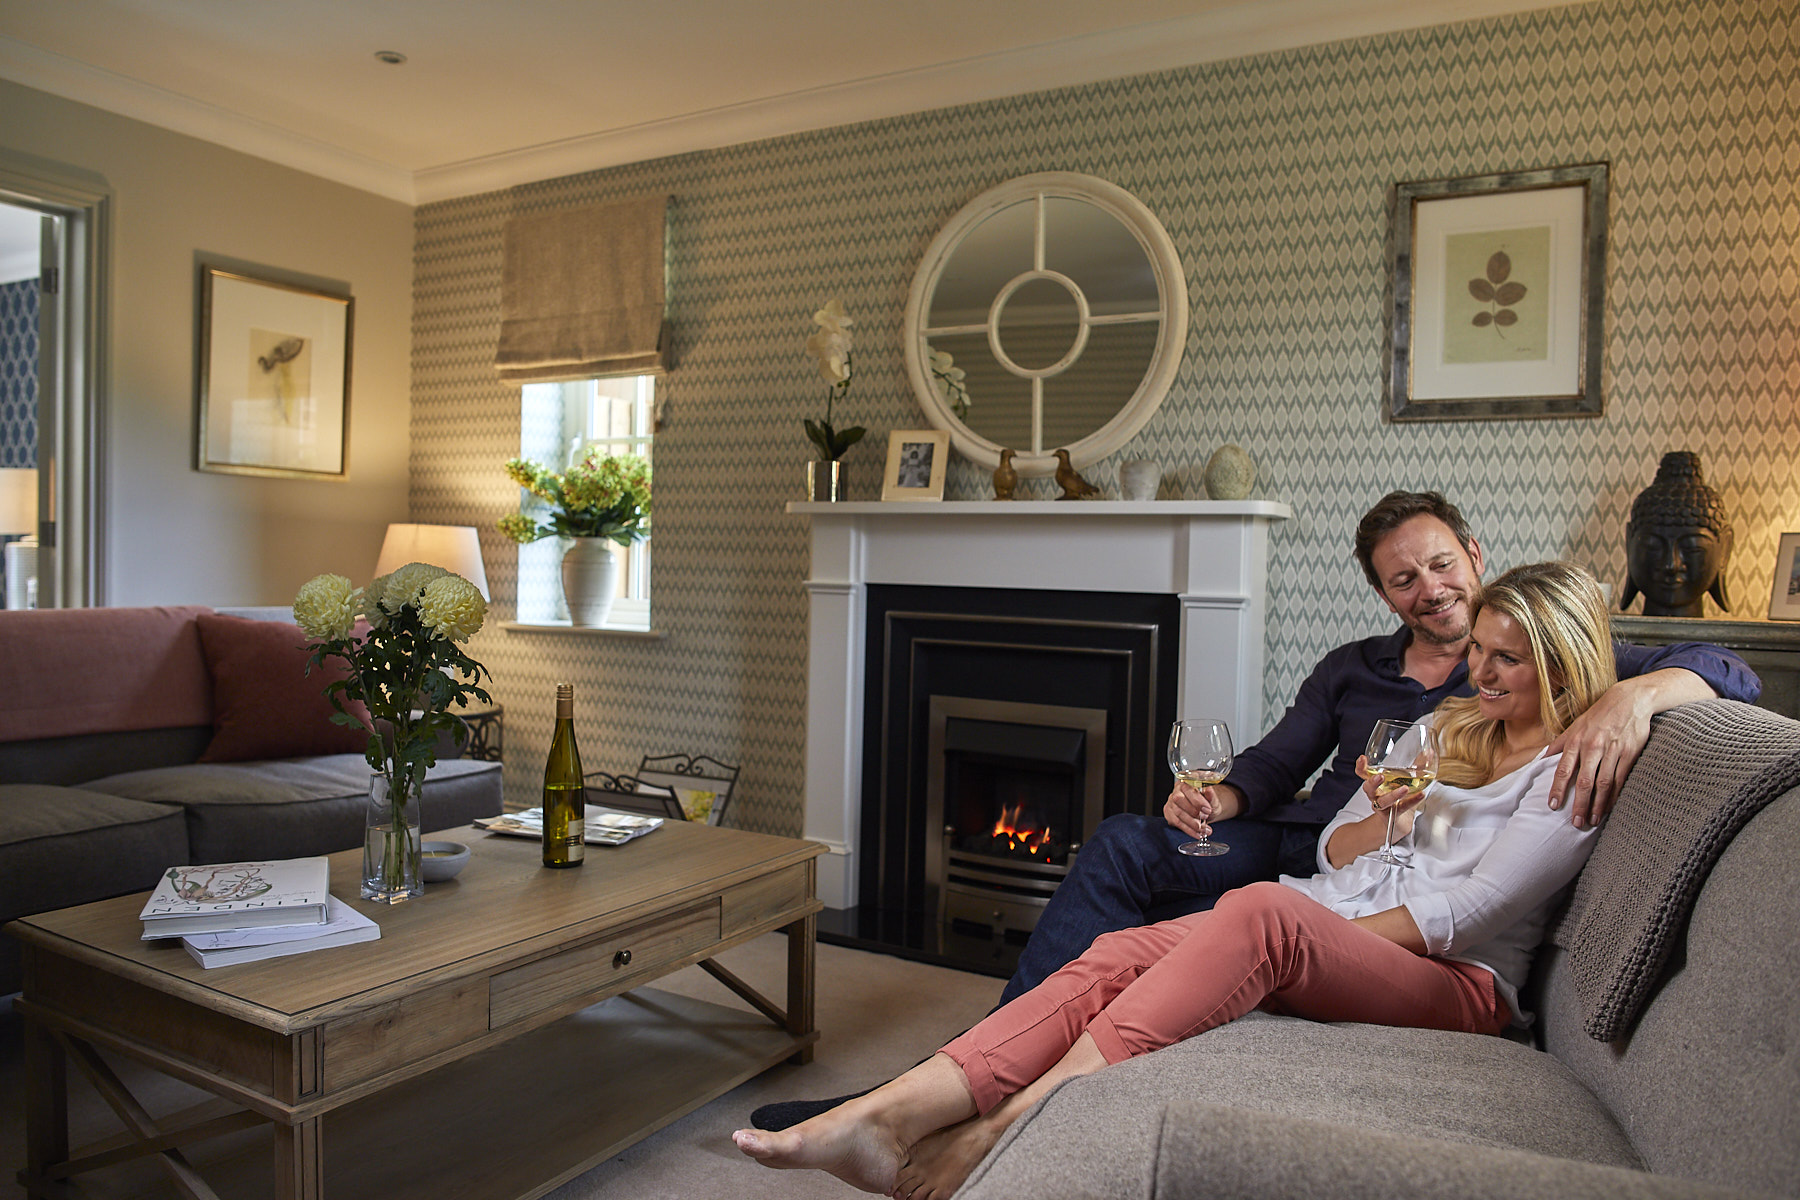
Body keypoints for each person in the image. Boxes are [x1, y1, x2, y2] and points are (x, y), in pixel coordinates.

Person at [747, 490, 1759, 1132]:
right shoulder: (1359, 673)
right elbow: (1277, 771)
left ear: (1473, 554)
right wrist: (1215, 799)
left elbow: (1727, 665)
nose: (1429, 589)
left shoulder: (1553, 669)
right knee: (1119, 843)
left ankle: (996, 1094)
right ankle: (952, 1070)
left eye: (1440, 564)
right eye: (1403, 579)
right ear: (1384, 593)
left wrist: (1640, 696)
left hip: (1349, 904)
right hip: (1293, 848)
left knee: (1241, 914)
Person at [734, 562, 1620, 1199]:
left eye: (1509, 658)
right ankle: (893, 1110)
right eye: (1483, 652)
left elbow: (1464, 914)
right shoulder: (1454, 728)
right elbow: (1333, 849)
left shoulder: (1567, 769)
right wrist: (1384, 821)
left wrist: (1309, 932)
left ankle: (1010, 1123)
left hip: (1459, 985)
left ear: (1564, 661)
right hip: (1345, 922)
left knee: (1259, 910)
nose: (1482, 670)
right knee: (1122, 948)